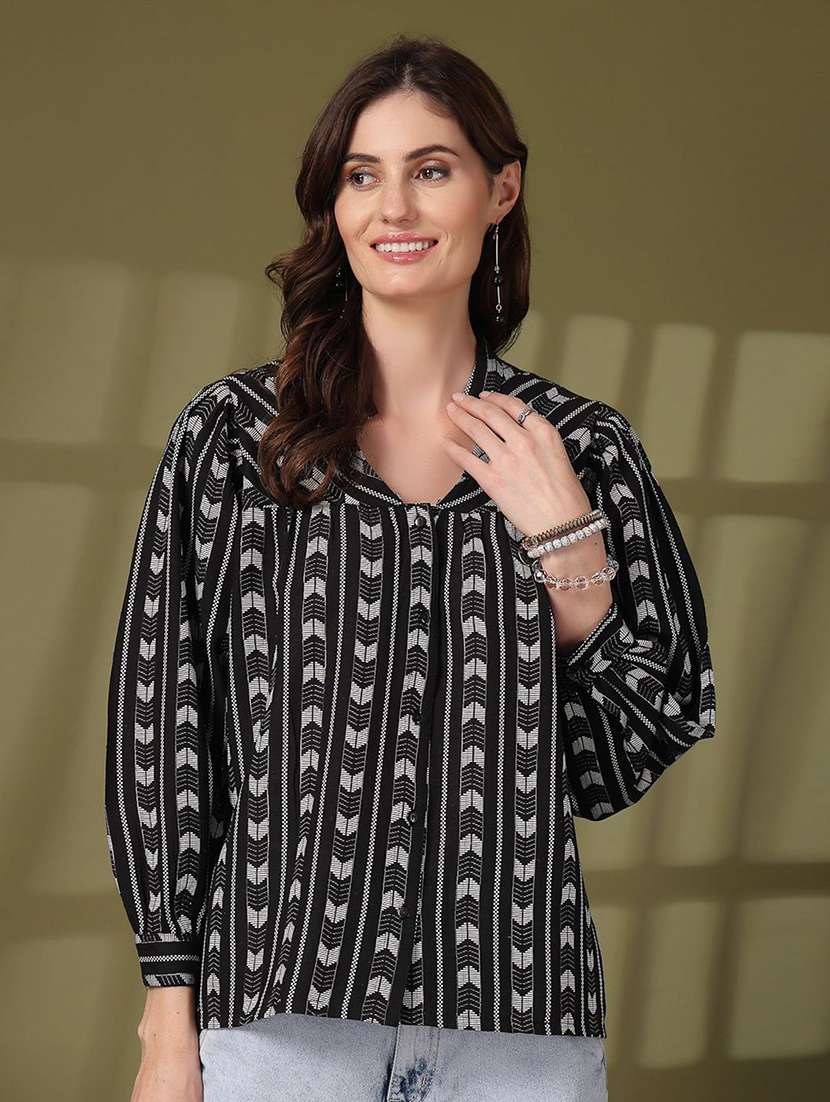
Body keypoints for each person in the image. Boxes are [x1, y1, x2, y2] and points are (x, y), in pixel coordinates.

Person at [104, 33, 716, 1102]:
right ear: (333, 206)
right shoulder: (234, 439)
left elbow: (614, 766)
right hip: (279, 1025)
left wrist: (570, 552)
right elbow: (161, 728)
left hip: (519, 1036)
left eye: (431, 169)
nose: (393, 207)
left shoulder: (581, 449)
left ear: (500, 190)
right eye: (361, 175)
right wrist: (167, 1020)